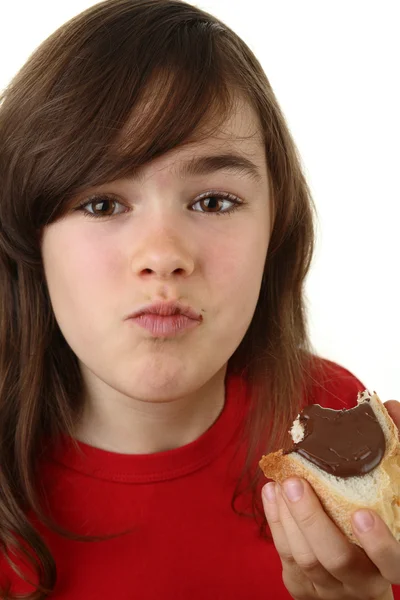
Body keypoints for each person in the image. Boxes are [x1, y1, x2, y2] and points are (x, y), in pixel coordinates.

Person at [0, 0, 398, 598]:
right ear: (31, 234)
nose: (163, 255)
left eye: (213, 201)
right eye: (103, 204)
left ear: (277, 226)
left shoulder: (336, 423)